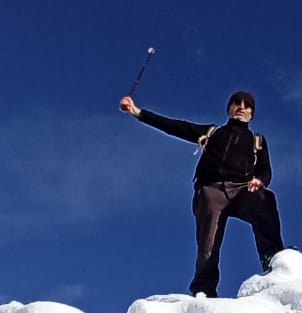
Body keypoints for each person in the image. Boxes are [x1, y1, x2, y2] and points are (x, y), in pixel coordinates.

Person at [120, 89, 284, 297]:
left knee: (265, 200)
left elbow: (265, 170)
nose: (241, 107)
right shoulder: (212, 133)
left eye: (247, 105)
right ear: (229, 109)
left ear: (252, 113)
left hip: (242, 190)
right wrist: (138, 112)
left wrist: (259, 181)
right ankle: (204, 291)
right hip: (211, 190)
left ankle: (274, 261)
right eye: (236, 103)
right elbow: (174, 127)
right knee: (208, 244)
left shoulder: (257, 141)